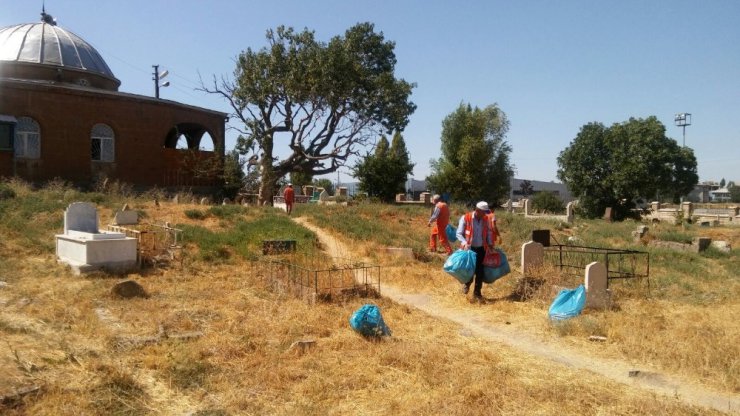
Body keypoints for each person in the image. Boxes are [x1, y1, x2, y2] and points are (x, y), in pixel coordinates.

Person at [456, 201, 496, 302]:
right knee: (470, 270)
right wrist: (464, 242)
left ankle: (477, 293)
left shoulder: (485, 219)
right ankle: (467, 284)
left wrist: (490, 244)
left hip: (481, 249)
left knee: (480, 272)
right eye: (484, 212)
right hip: (469, 249)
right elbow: (459, 233)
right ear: (477, 210)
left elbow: (489, 232)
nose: (485, 214)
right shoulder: (466, 218)